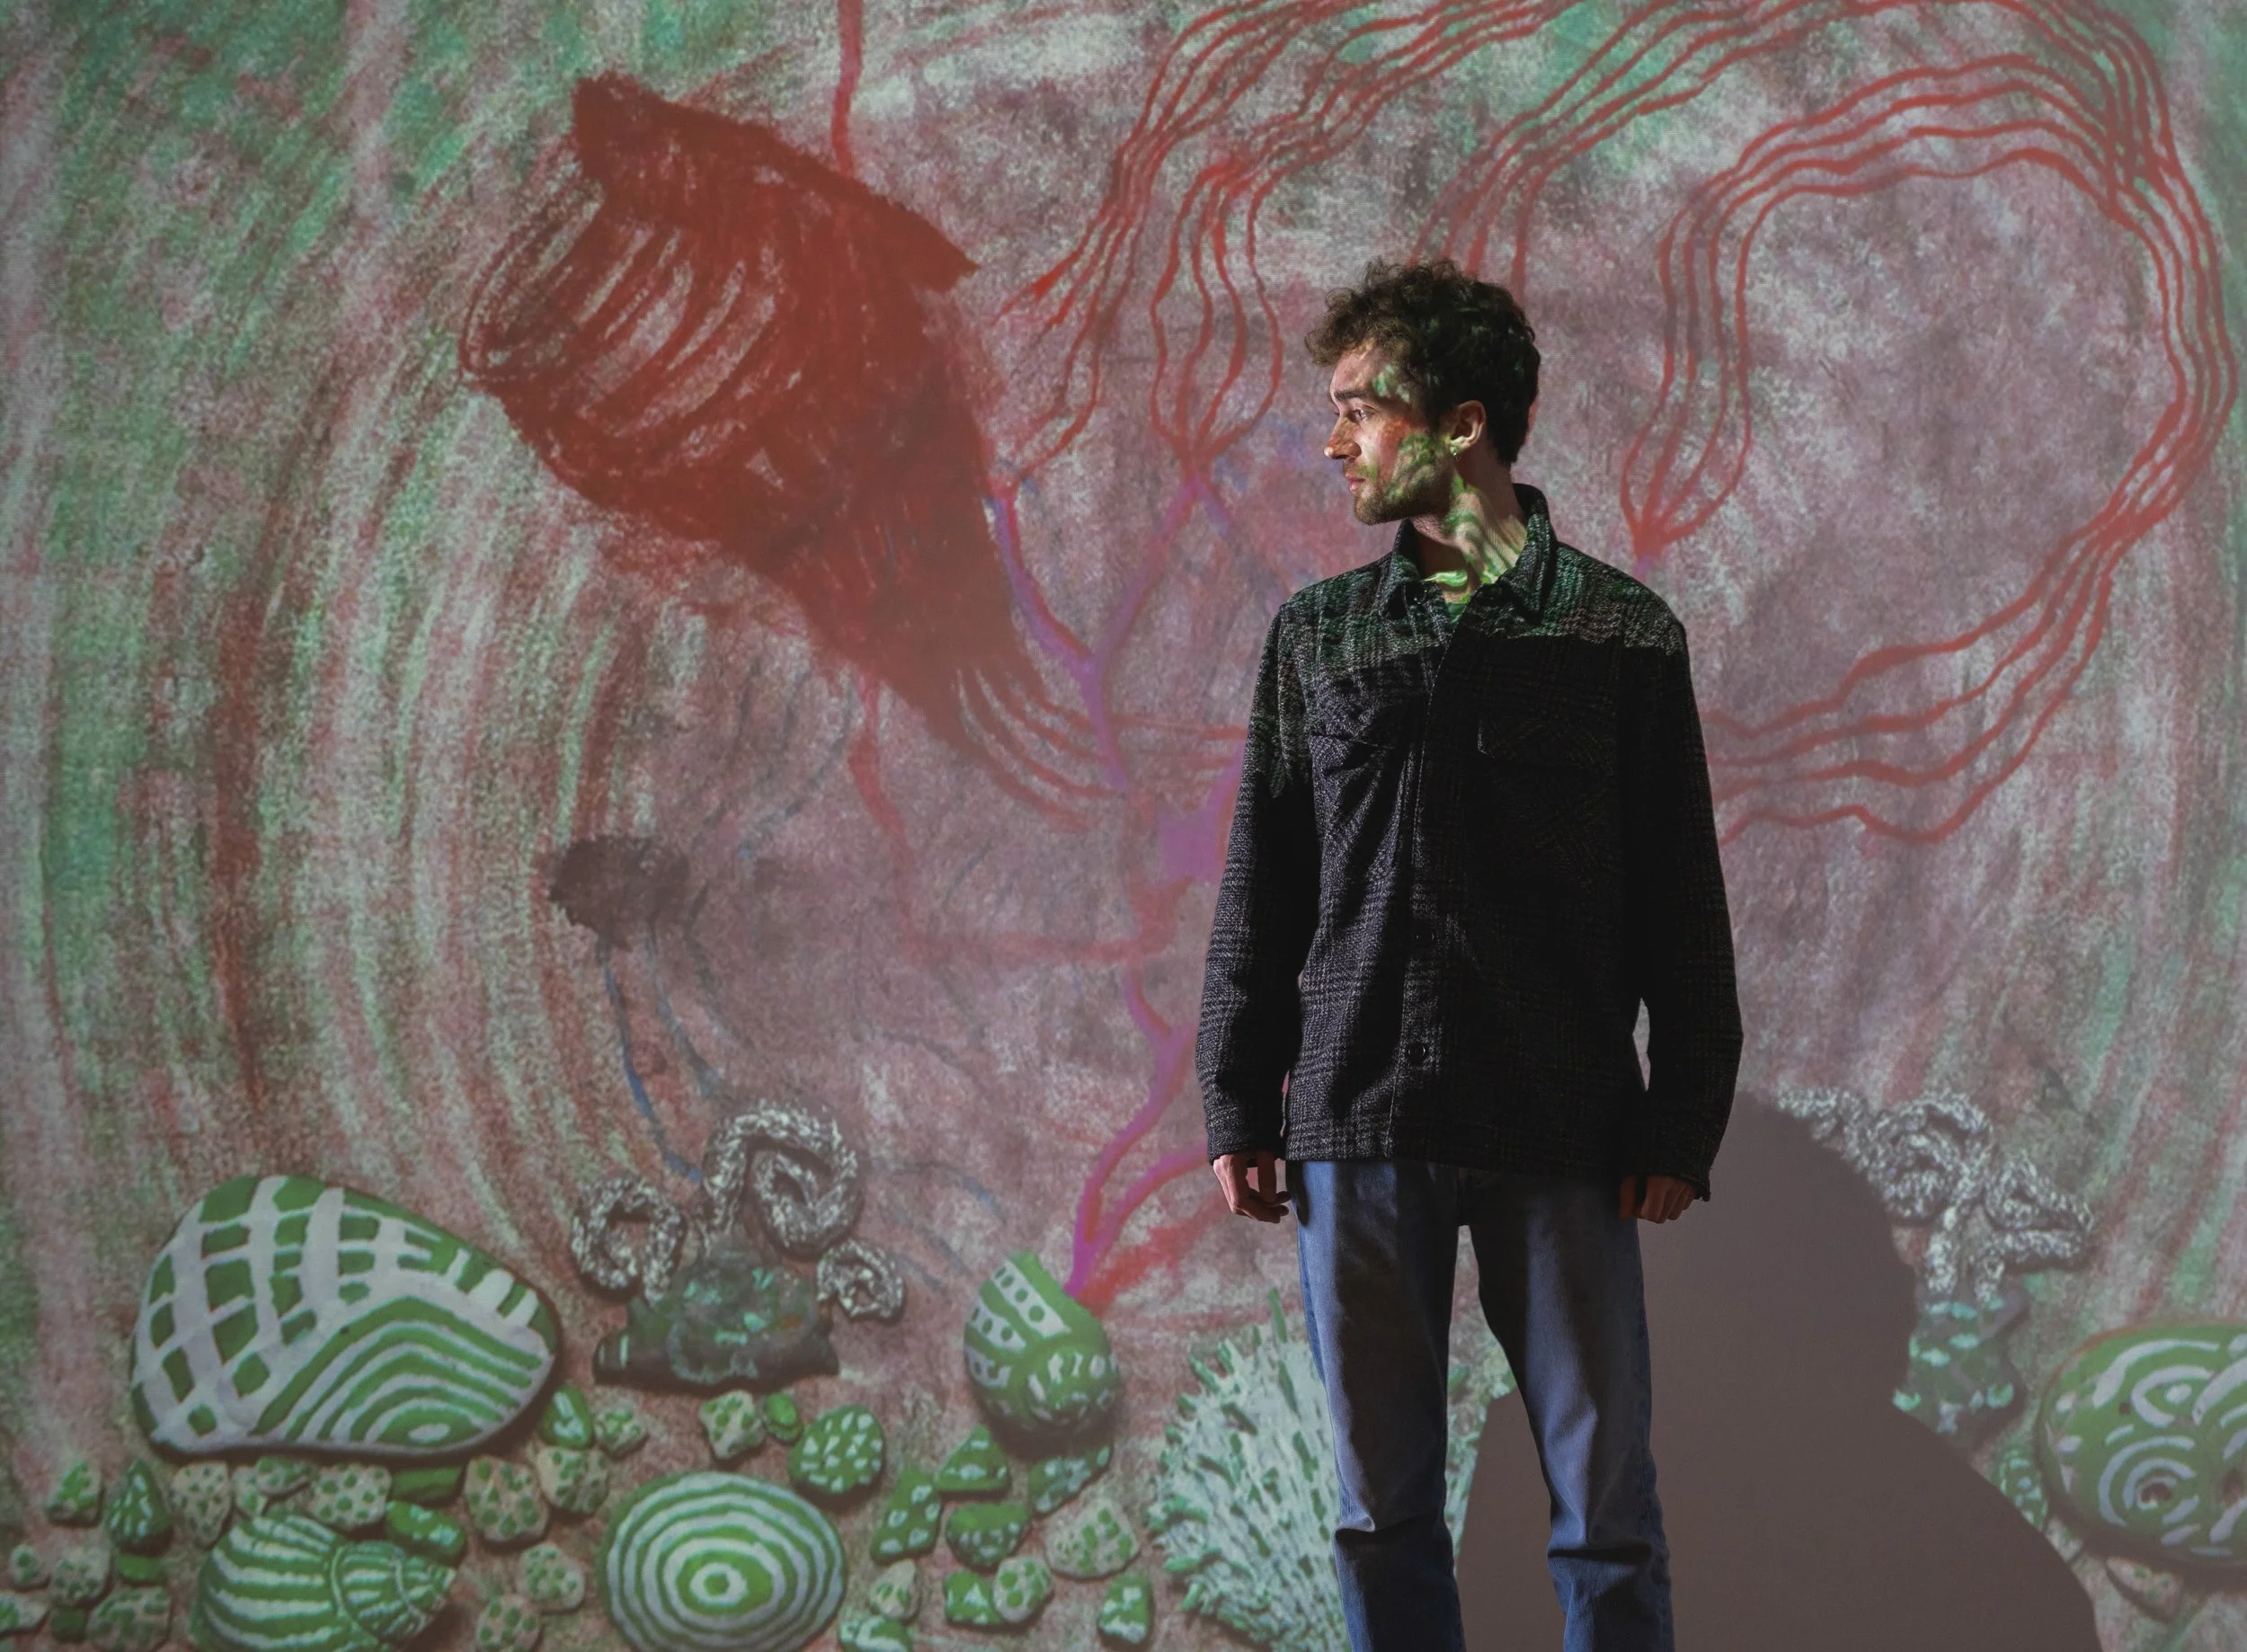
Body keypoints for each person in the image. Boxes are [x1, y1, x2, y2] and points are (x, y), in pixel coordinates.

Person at [1195, 257, 1743, 1652]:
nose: (1334, 440)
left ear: (1460, 425)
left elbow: (1684, 897)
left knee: (1606, 1514)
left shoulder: (1622, 632)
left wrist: (1682, 1109)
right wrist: (1237, 1098)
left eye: (1362, 408)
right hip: (1354, 1125)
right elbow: (1263, 883)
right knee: (1381, 1515)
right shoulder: (1315, 639)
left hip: (1563, 1126)